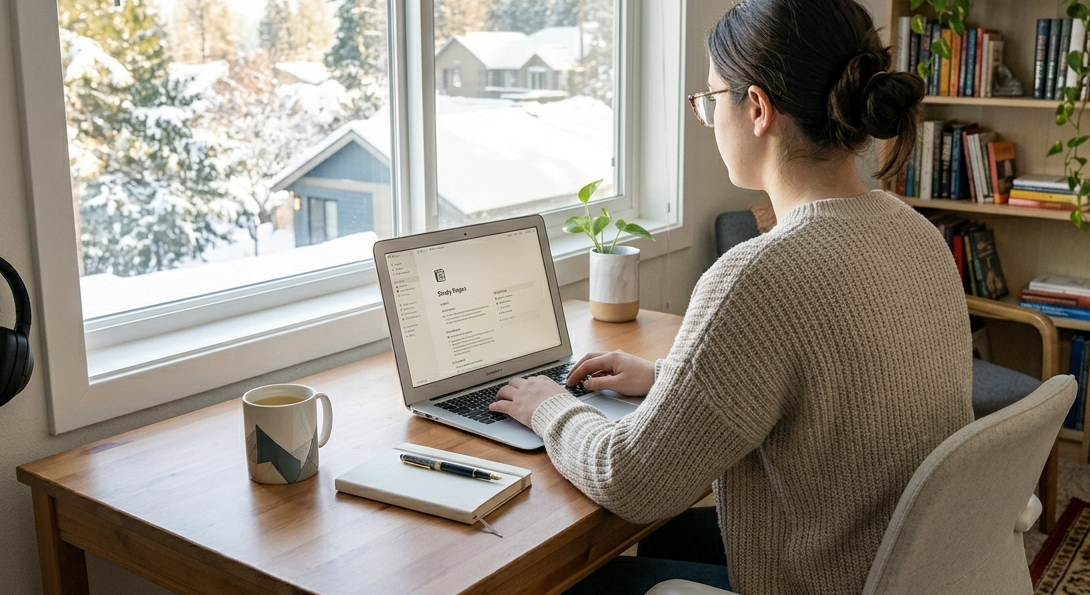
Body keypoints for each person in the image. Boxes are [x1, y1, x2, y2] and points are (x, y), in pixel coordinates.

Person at [489, 0, 974, 593]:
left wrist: (548, 407)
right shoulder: (913, 231)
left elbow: (632, 481)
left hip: (823, 576)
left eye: (709, 98)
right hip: (897, 561)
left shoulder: (758, 275)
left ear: (757, 108)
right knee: (667, 540)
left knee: (569, 583)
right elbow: (836, 375)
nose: (707, 115)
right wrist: (668, 376)